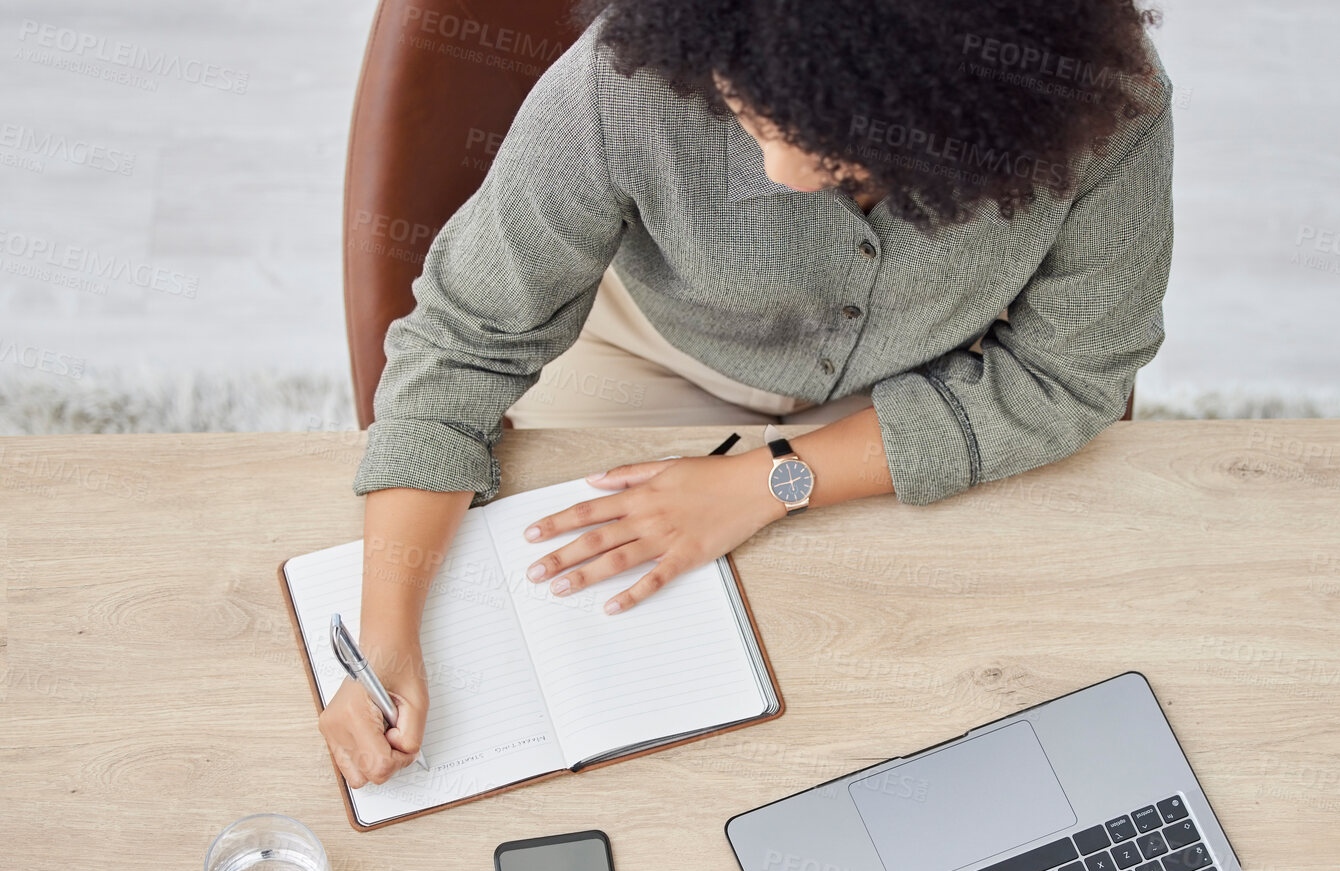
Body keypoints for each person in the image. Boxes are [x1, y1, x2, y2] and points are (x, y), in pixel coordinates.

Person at [320, 0, 1174, 788]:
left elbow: (1069, 372)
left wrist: (771, 479)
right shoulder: (620, 84)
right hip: (649, 354)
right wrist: (385, 631)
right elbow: (462, 344)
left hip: (922, 391)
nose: (782, 171)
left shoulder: (1099, 106)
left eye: (837, 147)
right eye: (747, 111)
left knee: (919, 711)